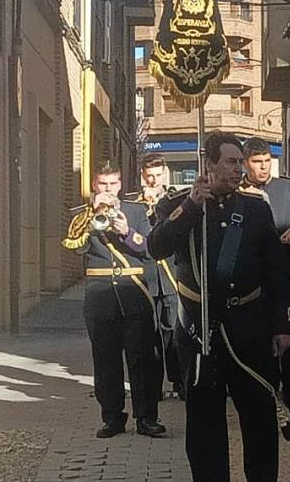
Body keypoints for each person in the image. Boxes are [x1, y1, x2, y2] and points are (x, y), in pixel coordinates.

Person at [148, 132, 290, 482]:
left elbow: (276, 271)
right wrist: (192, 207)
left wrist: (282, 325)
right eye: (230, 162)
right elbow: (157, 247)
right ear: (209, 165)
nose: (238, 169)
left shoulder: (256, 208)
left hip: (249, 327)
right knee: (204, 427)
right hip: (200, 332)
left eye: (239, 162)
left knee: (259, 420)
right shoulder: (179, 206)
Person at [61, 160, 165, 439]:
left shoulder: (137, 211)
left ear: (120, 185)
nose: (108, 189)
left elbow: (150, 249)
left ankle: (146, 418)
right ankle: (112, 417)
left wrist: (126, 232)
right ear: (94, 185)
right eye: (103, 184)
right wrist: (91, 220)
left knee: (142, 358)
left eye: (113, 184)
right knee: (105, 360)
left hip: (134, 291)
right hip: (100, 294)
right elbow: (76, 247)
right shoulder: (83, 214)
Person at [239, 137, 290, 429]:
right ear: (246, 163)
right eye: (257, 162)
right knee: (262, 345)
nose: (263, 167)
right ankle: (269, 402)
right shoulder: (240, 193)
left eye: (267, 161)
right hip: (256, 281)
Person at [133, 154, 183, 400]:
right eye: (148, 176)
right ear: (143, 175)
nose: (153, 181)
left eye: (157, 175)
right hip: (147, 279)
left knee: (173, 331)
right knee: (150, 336)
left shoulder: (176, 200)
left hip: (171, 276)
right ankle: (153, 386)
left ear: (166, 172)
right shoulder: (134, 204)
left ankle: (180, 381)